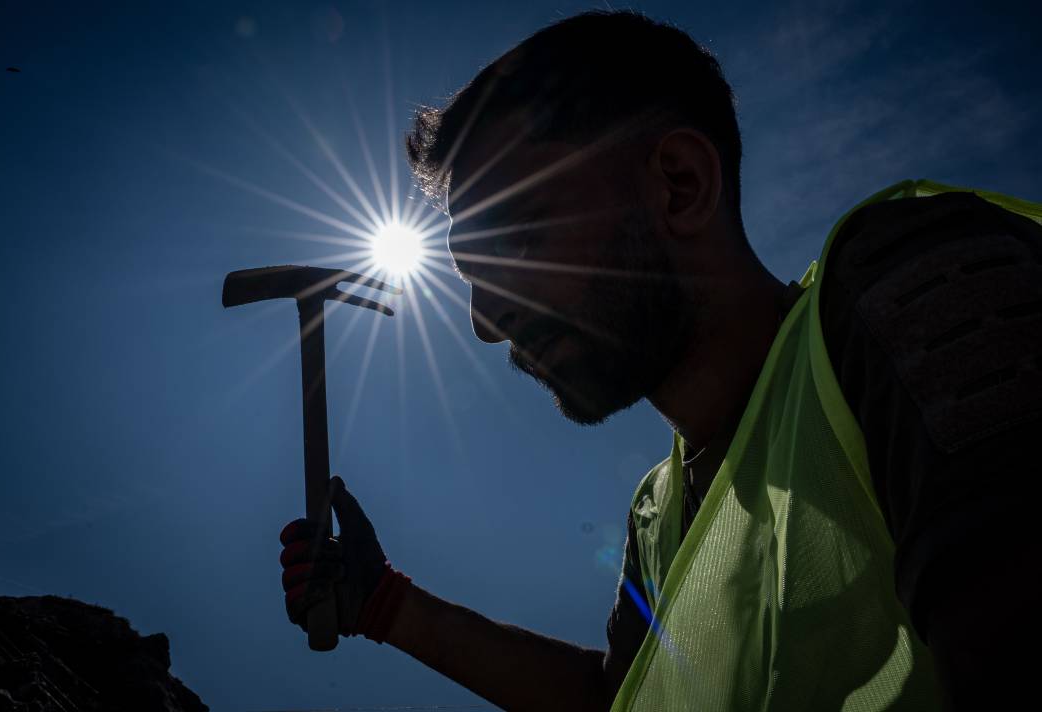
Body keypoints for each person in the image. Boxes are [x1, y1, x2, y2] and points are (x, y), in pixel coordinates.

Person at [277, 11, 1041, 711]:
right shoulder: (658, 519)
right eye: (470, 280)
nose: (485, 320)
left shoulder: (913, 287)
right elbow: (618, 697)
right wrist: (385, 604)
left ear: (680, 186)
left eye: (512, 242)